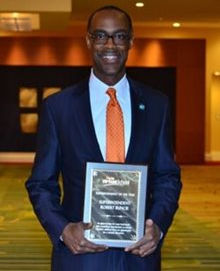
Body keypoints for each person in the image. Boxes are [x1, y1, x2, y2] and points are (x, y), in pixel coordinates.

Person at [26, 5, 182, 271]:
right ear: (88, 40)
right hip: (80, 257)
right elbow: (41, 183)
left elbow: (167, 177)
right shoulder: (58, 108)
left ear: (131, 41)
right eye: (101, 36)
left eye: (119, 36)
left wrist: (157, 227)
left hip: (140, 256)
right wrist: (63, 230)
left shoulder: (157, 105)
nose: (110, 44)